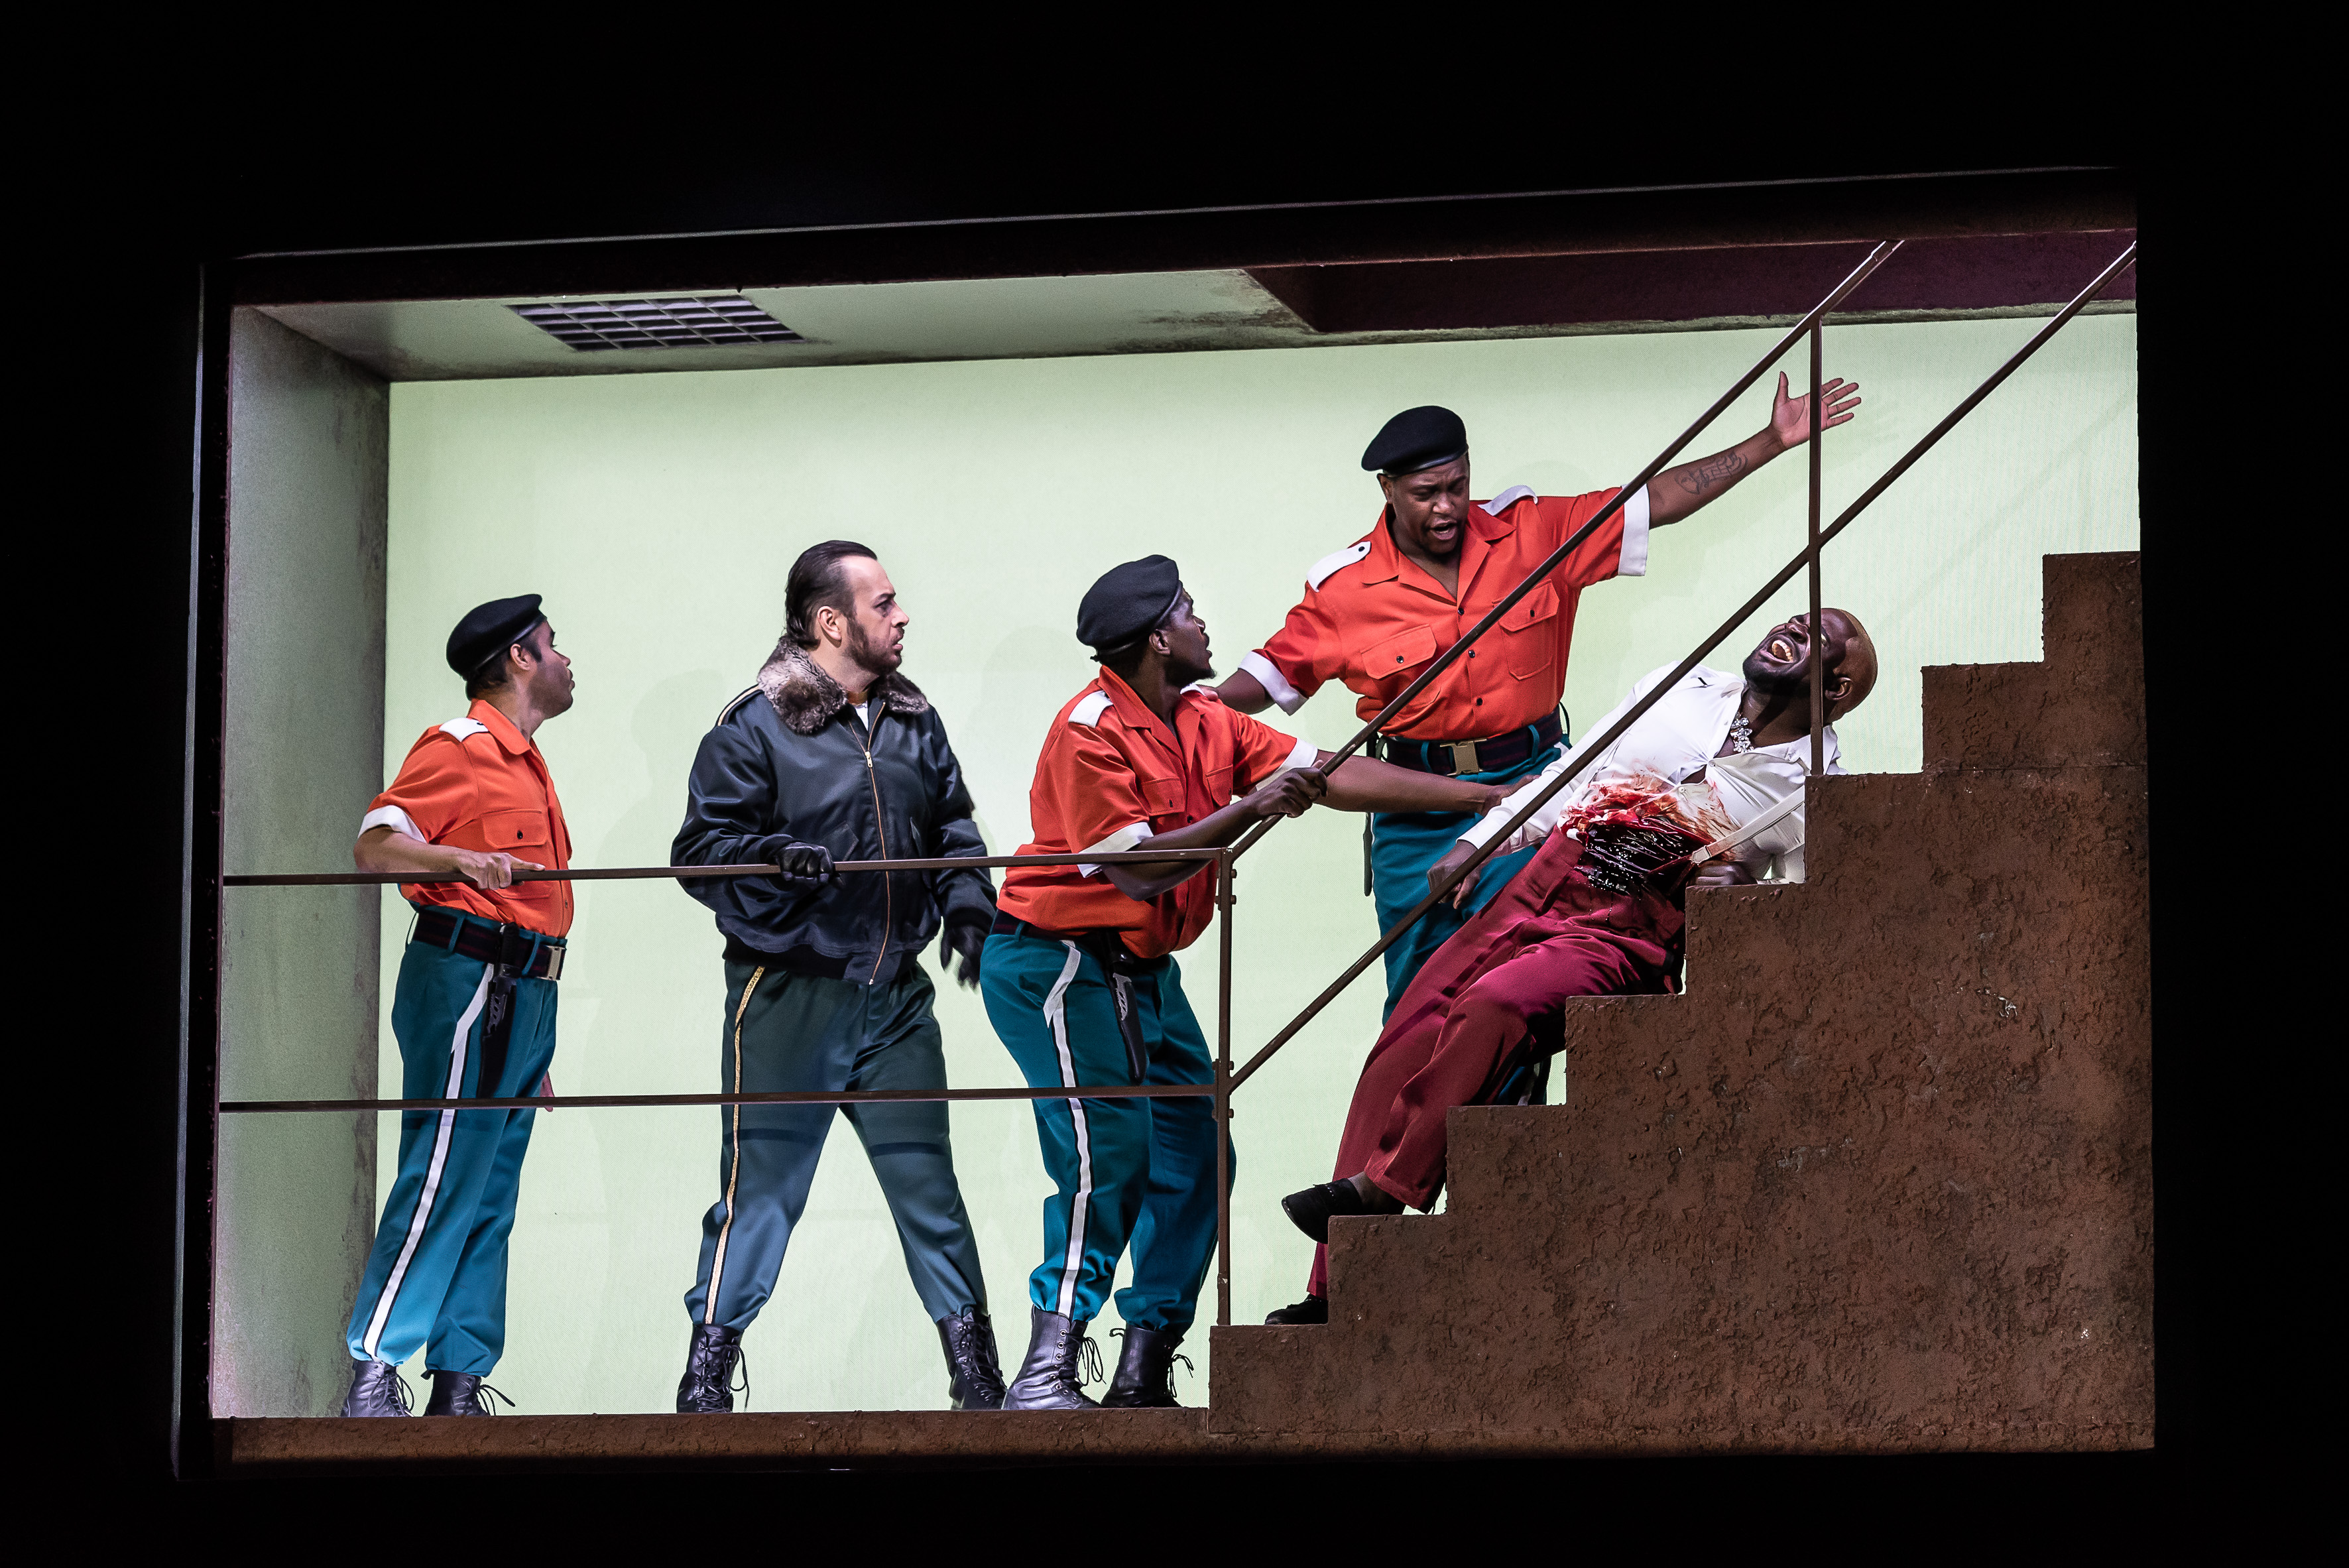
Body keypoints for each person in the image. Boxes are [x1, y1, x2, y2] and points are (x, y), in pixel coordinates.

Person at [983, 556, 1511, 1409]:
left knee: (1198, 1155)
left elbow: (1331, 772)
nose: (1203, 624)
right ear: (1160, 637)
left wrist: (1481, 799)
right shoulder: (1088, 728)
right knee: (1105, 1153)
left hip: (1143, 968)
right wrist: (1251, 807)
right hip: (1061, 960)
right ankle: (1045, 1368)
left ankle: (1143, 1365)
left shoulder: (1203, 715)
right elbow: (1140, 874)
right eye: (1189, 612)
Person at [1270, 609, 1878, 1324]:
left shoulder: (1818, 785)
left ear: (1835, 689)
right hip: (1548, 874)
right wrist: (1484, 840)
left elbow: (1811, 909)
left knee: (1496, 1003)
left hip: (1629, 927)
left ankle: (1382, 1189)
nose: (1793, 627)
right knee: (1400, 1045)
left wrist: (1749, 889)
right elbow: (1576, 769)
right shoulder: (1680, 686)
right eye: (1794, 619)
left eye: (1817, 638)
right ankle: (1332, 1294)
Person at [1214, 379, 1860, 1020]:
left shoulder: (1535, 530)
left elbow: (1655, 501)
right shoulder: (1345, 587)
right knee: (1419, 998)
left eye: (1457, 487)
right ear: (1387, 489)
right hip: (1413, 809)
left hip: (1537, 782)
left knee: (1521, 982)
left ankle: (1513, 1117)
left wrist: (1773, 440)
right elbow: (1266, 679)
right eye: (1425, 494)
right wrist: (1185, 705)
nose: (1446, 508)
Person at [670, 540, 1004, 1414]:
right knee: (762, 1197)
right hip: (789, 995)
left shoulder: (911, 718)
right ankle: (707, 1370)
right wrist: (774, 856)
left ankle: (978, 1373)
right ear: (831, 623)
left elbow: (952, 825)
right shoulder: (753, 724)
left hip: (894, 998)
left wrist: (969, 903)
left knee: (928, 1187)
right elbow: (699, 853)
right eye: (884, 603)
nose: (901, 617)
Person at [339, 594, 579, 1417]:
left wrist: (534, 1042)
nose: (566, 658)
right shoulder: (462, 746)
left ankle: (459, 1382)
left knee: (490, 1191)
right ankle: (375, 1369)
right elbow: (375, 843)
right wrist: (457, 857)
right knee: (442, 1173)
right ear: (519, 658)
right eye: (554, 645)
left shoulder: (528, 764)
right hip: (473, 981)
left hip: (527, 993)